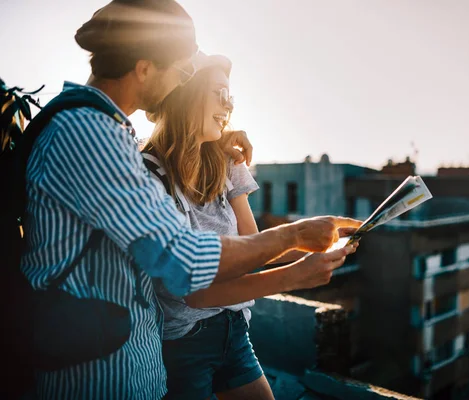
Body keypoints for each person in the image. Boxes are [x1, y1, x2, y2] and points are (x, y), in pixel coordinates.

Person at [19, 1, 361, 399]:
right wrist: (293, 239)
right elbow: (186, 262)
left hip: (129, 366)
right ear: (145, 66)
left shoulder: (101, 129)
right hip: (99, 378)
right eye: (181, 71)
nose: (180, 83)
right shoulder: (90, 134)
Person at [143, 57, 353, 400]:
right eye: (219, 93)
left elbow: (253, 248)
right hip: (182, 344)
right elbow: (195, 292)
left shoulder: (228, 161)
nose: (227, 105)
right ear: (185, 94)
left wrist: (323, 243)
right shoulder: (148, 176)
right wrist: (295, 275)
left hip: (235, 330)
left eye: (231, 98)